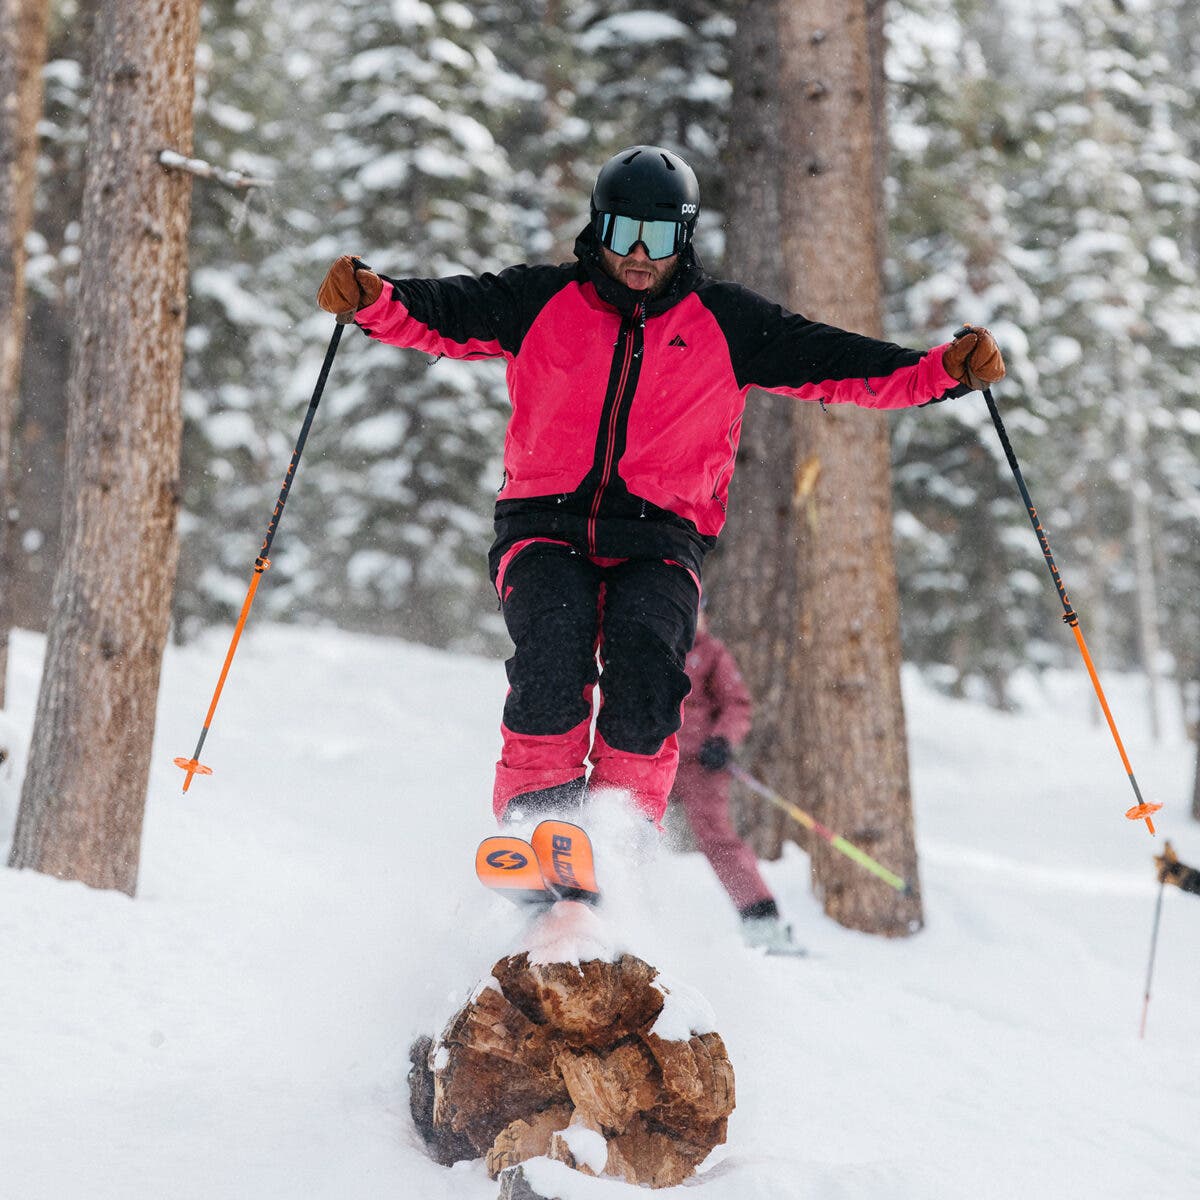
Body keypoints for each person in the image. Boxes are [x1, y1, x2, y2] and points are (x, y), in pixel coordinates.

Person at [316, 144, 1006, 830]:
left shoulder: (727, 322)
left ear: (685, 236)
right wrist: (375, 300)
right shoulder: (540, 300)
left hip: (662, 538)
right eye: (623, 234)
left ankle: (614, 839)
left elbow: (838, 361)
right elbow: (440, 312)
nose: (639, 254)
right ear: (598, 228)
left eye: (659, 236)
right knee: (552, 655)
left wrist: (941, 371)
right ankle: (537, 828)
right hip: (543, 527)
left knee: (648, 674)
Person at [671, 606, 803, 953]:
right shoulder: (653, 645)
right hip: (652, 758)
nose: (690, 619)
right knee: (633, 827)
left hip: (700, 763)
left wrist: (722, 740)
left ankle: (762, 920)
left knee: (717, 838)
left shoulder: (711, 653)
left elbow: (737, 704)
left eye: (696, 611)